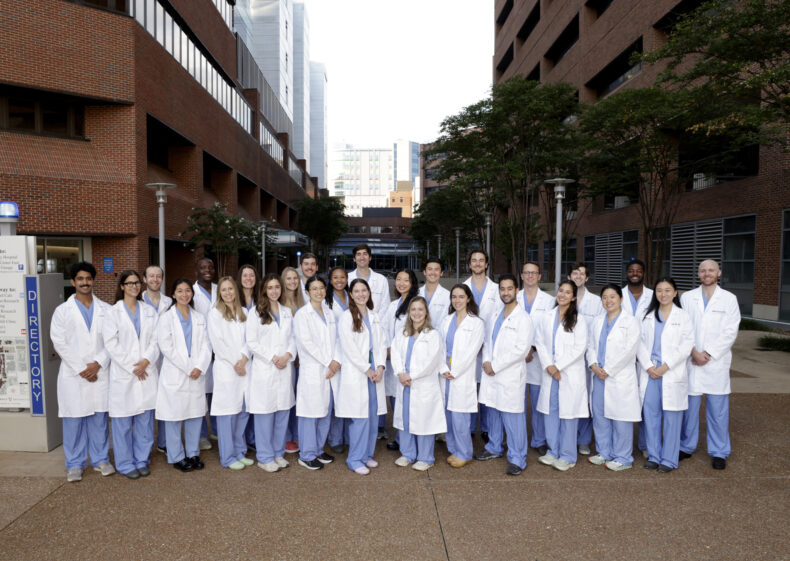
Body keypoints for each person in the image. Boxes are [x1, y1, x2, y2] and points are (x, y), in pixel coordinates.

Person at [51, 262, 115, 482]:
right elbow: (59, 342)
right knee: (74, 420)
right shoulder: (62, 311)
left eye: (88, 278)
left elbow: (112, 341)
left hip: (99, 371)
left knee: (99, 419)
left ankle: (100, 459)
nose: (85, 282)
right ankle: (75, 464)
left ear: (93, 281)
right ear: (73, 282)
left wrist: (97, 363)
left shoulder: (107, 309)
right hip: (74, 374)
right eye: (80, 279)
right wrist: (82, 368)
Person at [679, 260, 741, 470]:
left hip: (716, 364)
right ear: (698, 274)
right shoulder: (687, 298)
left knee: (718, 413)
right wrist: (694, 352)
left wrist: (708, 353)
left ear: (719, 273)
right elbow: (682, 328)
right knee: (689, 411)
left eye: (711, 270)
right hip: (692, 360)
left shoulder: (729, 299)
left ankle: (719, 451)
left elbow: (730, 331)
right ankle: (686, 446)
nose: (707, 273)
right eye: (703, 270)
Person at [473, 274, 534, 476]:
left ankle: (518, 458)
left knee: (512, 417)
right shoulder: (495, 314)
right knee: (494, 413)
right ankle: (494, 447)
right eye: (502, 289)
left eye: (509, 288)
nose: (506, 292)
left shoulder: (523, 318)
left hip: (509, 375)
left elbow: (521, 350)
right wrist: (487, 362)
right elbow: (488, 341)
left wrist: (495, 365)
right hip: (492, 373)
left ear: (517, 290)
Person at [102, 270, 160, 479]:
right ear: (122, 287)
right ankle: (125, 463)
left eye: (137, 283)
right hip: (125, 374)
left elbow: (156, 340)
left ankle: (142, 459)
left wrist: (146, 361)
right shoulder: (112, 313)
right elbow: (111, 343)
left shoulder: (149, 312)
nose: (134, 286)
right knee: (123, 424)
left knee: (145, 422)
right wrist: (133, 367)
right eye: (130, 283)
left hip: (146, 371)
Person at [637, 277, 694, 472]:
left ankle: (669, 459)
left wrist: (665, 367)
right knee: (651, 416)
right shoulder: (647, 316)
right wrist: (648, 366)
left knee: (672, 417)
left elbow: (686, 346)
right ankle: (654, 455)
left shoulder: (683, 317)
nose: (663, 294)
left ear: (675, 293)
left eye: (667, 290)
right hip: (650, 373)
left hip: (671, 373)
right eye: (659, 290)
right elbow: (639, 344)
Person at [155, 278, 212, 472]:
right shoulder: (166, 318)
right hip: (176, 373)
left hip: (196, 373)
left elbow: (206, 345)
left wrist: (200, 366)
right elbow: (167, 347)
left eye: (188, 291)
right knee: (174, 417)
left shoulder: (199, 318)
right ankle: (176, 456)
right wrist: (189, 367)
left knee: (195, 416)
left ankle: (192, 453)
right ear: (173, 294)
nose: (184, 294)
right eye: (180, 291)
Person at [586, 284, 641, 471]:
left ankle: (623, 457)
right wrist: (594, 365)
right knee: (600, 416)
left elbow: (629, 350)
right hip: (599, 376)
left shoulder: (630, 321)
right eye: (604, 297)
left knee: (621, 418)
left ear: (621, 299)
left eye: (612, 297)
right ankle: (604, 452)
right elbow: (590, 346)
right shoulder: (597, 321)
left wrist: (608, 369)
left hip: (618, 377)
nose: (608, 301)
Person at [535, 280, 589, 472]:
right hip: (550, 373)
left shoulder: (579, 320)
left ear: (574, 297)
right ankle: (553, 451)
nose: (563, 295)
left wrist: (557, 366)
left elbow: (579, 347)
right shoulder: (547, 316)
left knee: (568, 415)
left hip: (568, 374)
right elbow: (539, 342)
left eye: (568, 293)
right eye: (561, 291)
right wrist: (549, 366)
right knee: (550, 412)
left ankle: (567, 456)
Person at [336, 279, 387, 475]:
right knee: (360, 419)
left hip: (375, 372)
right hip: (359, 371)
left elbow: (381, 343)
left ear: (369, 292)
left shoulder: (373, 315)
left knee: (373, 417)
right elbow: (349, 348)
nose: (360, 294)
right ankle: (354, 459)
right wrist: (367, 369)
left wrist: (380, 366)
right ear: (350, 294)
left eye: (364, 290)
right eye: (356, 291)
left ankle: (367, 455)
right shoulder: (346, 316)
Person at [246, 274, 296, 473]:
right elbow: (252, 342)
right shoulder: (255, 313)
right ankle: (265, 457)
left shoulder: (286, 312)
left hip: (284, 368)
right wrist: (274, 357)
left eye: (277, 287)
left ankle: (278, 453)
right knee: (265, 415)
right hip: (266, 369)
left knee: (283, 413)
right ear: (264, 290)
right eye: (270, 287)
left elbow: (293, 338)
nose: (274, 291)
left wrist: (288, 355)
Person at [391, 297, 446, 470]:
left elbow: (431, 363)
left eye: (420, 309)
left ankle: (425, 458)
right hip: (404, 383)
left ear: (426, 312)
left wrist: (411, 375)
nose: (416, 313)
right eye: (413, 309)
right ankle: (407, 454)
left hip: (422, 385)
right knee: (405, 420)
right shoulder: (402, 333)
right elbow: (395, 354)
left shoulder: (433, 335)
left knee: (424, 421)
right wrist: (400, 373)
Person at [293, 276, 341, 470]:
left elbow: (338, 340)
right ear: (307, 292)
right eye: (314, 289)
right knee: (309, 414)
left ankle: (318, 449)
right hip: (313, 370)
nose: (319, 292)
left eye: (321, 288)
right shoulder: (302, 315)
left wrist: (336, 361)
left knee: (325, 412)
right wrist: (328, 362)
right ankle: (306, 454)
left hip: (330, 371)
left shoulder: (329, 313)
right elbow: (307, 343)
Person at [207, 277, 252, 471]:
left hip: (244, 367)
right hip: (227, 369)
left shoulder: (244, 312)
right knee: (227, 415)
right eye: (224, 290)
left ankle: (240, 451)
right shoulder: (214, 314)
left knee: (242, 411)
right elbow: (218, 344)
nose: (227, 293)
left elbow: (250, 339)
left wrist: (243, 359)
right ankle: (228, 456)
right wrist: (236, 362)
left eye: (230, 289)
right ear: (219, 293)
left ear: (236, 291)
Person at [439, 284, 485, 468]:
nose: (457, 300)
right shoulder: (446, 320)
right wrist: (443, 368)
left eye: (461, 296)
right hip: (445, 372)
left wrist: (455, 371)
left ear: (468, 299)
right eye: (454, 297)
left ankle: (464, 452)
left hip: (461, 374)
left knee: (460, 417)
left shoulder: (476, 323)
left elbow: (472, 351)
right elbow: (439, 348)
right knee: (448, 415)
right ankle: (454, 450)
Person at [463, 249, 503, 442]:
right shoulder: (462, 288)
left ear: (487, 264)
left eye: (481, 261)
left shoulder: (497, 289)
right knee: (469, 387)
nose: (477, 264)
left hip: (490, 346)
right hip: (467, 346)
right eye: (474, 261)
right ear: (469, 264)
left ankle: (486, 428)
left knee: (487, 387)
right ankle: (470, 427)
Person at [516, 261, 555, 456]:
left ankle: (539, 439)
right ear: (521, 276)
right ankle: (518, 439)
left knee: (539, 401)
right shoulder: (512, 299)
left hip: (539, 359)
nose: (530, 276)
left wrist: (532, 348)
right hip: (517, 360)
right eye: (526, 273)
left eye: (534, 273)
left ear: (540, 276)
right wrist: (522, 350)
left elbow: (549, 331)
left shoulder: (549, 301)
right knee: (516, 402)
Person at [568, 262, 603, 456]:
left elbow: (597, 332)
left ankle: (584, 440)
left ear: (587, 278)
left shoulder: (596, 302)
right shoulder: (562, 298)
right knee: (569, 398)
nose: (578, 276)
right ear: (569, 276)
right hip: (567, 359)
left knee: (587, 400)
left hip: (587, 358)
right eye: (575, 273)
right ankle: (568, 437)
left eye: (582, 274)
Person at [620, 258, 653, 458]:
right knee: (621, 401)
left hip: (646, 357)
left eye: (638, 270)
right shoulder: (618, 295)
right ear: (627, 274)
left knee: (646, 404)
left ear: (644, 274)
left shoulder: (653, 295)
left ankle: (645, 444)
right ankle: (621, 444)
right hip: (622, 358)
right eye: (631, 270)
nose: (635, 273)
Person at [382, 269, 419, 445]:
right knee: (395, 398)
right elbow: (385, 329)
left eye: (406, 280)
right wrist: (388, 349)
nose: (401, 283)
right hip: (392, 360)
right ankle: (400, 435)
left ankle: (407, 437)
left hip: (408, 360)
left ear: (412, 283)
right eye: (398, 279)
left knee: (408, 400)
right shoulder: (393, 305)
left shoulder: (416, 304)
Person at [142, 265, 172, 455]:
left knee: (166, 401)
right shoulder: (137, 301)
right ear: (144, 279)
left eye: (158, 276)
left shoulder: (169, 302)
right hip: (144, 360)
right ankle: (143, 445)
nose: (155, 279)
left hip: (166, 360)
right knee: (145, 405)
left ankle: (164, 441)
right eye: (151, 276)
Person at [192, 257, 217, 451]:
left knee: (217, 393)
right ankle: (201, 435)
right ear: (196, 271)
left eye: (210, 267)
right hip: (200, 350)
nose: (207, 270)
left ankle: (216, 429)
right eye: (203, 267)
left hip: (219, 351)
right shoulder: (190, 293)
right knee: (200, 394)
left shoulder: (220, 289)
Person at [325, 266, 350, 453]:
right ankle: (335, 439)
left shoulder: (352, 297)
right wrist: (335, 357)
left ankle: (348, 436)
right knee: (334, 399)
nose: (339, 280)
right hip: (333, 355)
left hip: (351, 355)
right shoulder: (325, 300)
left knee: (348, 397)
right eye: (335, 277)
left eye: (342, 277)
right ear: (330, 280)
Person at [280, 266, 305, 454]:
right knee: (287, 397)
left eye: (295, 278)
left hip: (301, 358)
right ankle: (287, 437)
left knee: (298, 397)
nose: (292, 282)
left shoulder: (301, 302)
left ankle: (297, 433)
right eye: (288, 278)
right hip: (287, 358)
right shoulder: (279, 302)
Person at [237, 264, 259, 451]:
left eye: (251, 275)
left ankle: (252, 438)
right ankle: (241, 440)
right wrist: (243, 357)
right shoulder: (233, 299)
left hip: (258, 358)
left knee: (255, 401)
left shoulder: (261, 300)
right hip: (240, 359)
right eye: (245, 275)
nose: (248, 279)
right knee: (241, 404)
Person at [347, 243, 391, 314]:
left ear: (370, 258)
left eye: (365, 254)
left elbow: (385, 307)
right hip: (353, 322)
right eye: (358, 254)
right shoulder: (347, 279)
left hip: (377, 323)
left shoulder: (381, 280)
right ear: (354, 259)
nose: (362, 257)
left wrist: (376, 323)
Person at [420, 258, 451, 330]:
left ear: (441, 273)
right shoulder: (416, 293)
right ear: (424, 272)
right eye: (430, 269)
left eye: (436, 269)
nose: (433, 272)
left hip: (438, 337)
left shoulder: (448, 296)